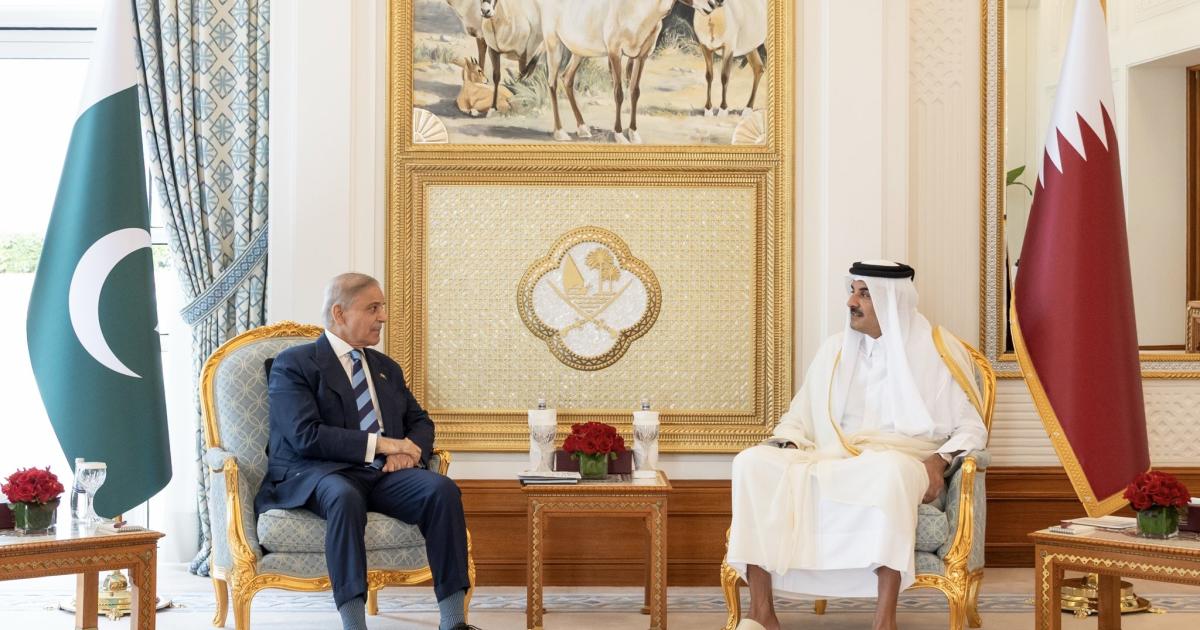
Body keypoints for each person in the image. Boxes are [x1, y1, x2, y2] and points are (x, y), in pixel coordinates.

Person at [727, 260, 988, 630]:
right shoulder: (834, 350)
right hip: (832, 456)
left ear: (892, 299)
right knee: (751, 462)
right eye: (852, 291)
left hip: (902, 459)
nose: (852, 302)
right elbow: (799, 416)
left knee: (888, 470)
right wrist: (787, 445)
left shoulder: (936, 353)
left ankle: (884, 621)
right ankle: (761, 614)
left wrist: (938, 460)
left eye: (864, 294)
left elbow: (972, 428)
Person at [255, 273, 478, 630]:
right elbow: (305, 436)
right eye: (373, 308)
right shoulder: (294, 364)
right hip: (321, 472)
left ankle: (453, 622)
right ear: (339, 313)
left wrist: (408, 453)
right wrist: (385, 444)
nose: (383, 317)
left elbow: (420, 422)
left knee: (441, 490)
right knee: (344, 497)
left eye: (383, 307)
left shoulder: (385, 367)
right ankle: (354, 625)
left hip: (383, 473)